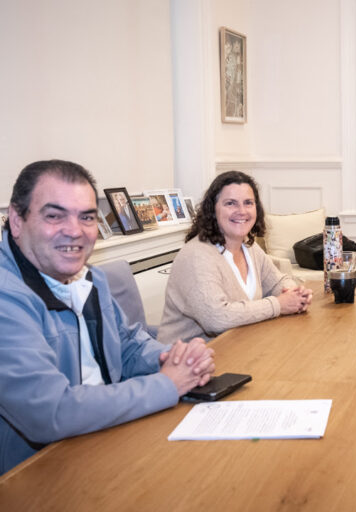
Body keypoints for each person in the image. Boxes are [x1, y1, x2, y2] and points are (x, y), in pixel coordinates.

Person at [0, 160, 215, 474]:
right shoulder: (7, 299)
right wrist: (167, 384)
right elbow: (50, 412)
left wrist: (171, 358)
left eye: (86, 217)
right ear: (16, 221)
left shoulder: (91, 279)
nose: (74, 230)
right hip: (36, 473)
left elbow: (126, 345)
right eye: (54, 215)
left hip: (107, 441)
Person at [158, 171, 313, 343]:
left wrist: (294, 293)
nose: (241, 211)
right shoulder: (196, 255)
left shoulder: (248, 245)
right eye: (230, 203)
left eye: (248, 203)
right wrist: (278, 305)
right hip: (189, 362)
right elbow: (216, 318)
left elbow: (276, 281)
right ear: (213, 210)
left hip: (240, 347)